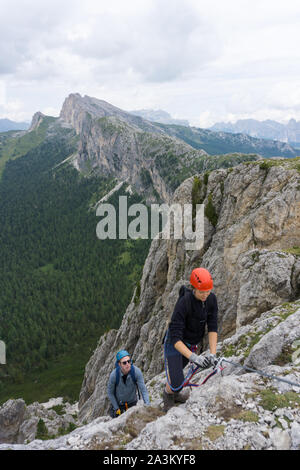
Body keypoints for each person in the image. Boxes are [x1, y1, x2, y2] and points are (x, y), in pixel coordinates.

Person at [163, 267, 218, 412]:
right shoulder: (184, 303)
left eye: (208, 291)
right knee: (176, 380)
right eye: (202, 292)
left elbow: (212, 327)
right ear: (194, 288)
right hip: (174, 344)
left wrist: (213, 353)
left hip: (190, 344)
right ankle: (168, 395)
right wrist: (194, 357)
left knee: (178, 377)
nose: (205, 294)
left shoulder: (211, 300)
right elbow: (175, 338)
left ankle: (175, 392)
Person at [107, 350, 150, 418]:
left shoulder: (136, 372)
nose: (127, 364)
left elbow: (143, 390)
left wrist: (147, 406)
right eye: (124, 363)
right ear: (119, 364)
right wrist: (116, 408)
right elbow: (110, 393)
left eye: (129, 361)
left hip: (132, 403)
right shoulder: (114, 375)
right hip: (119, 405)